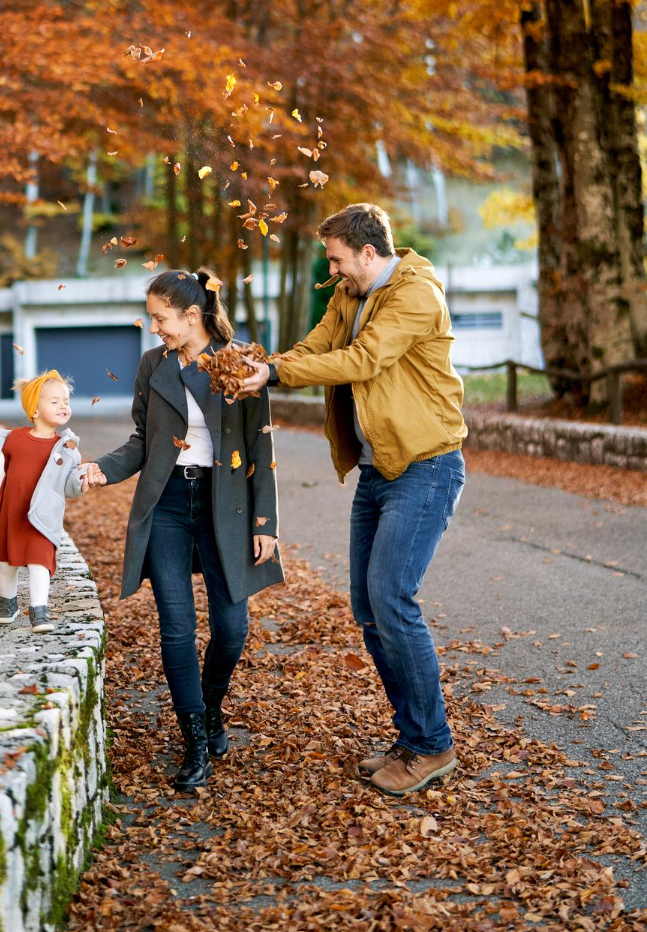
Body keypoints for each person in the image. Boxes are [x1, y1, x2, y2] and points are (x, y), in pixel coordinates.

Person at [240, 203, 467, 797]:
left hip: (425, 466)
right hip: (377, 471)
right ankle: (413, 735)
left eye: (339, 260)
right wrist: (263, 364)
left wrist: (276, 377)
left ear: (369, 253)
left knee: (391, 598)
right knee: (368, 610)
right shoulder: (351, 293)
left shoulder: (416, 296)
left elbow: (363, 361)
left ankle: (433, 746)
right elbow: (316, 346)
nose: (334, 272)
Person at [82, 268, 283, 791]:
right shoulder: (154, 365)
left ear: (191, 315)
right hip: (168, 504)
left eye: (160, 318)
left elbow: (260, 446)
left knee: (232, 628)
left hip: (226, 507)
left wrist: (266, 522)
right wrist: (103, 468)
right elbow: (140, 440)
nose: (154, 328)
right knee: (176, 628)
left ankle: (209, 706)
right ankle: (194, 740)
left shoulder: (241, 363)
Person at [0, 371, 85, 633]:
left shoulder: (66, 448)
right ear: (34, 410)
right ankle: (7, 604)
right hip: (11, 511)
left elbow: (69, 485)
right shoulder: (13, 439)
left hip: (42, 515)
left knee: (39, 560)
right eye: (54, 401)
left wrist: (81, 481)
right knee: (6, 561)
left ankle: (39, 610)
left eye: (66, 401)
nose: (63, 406)